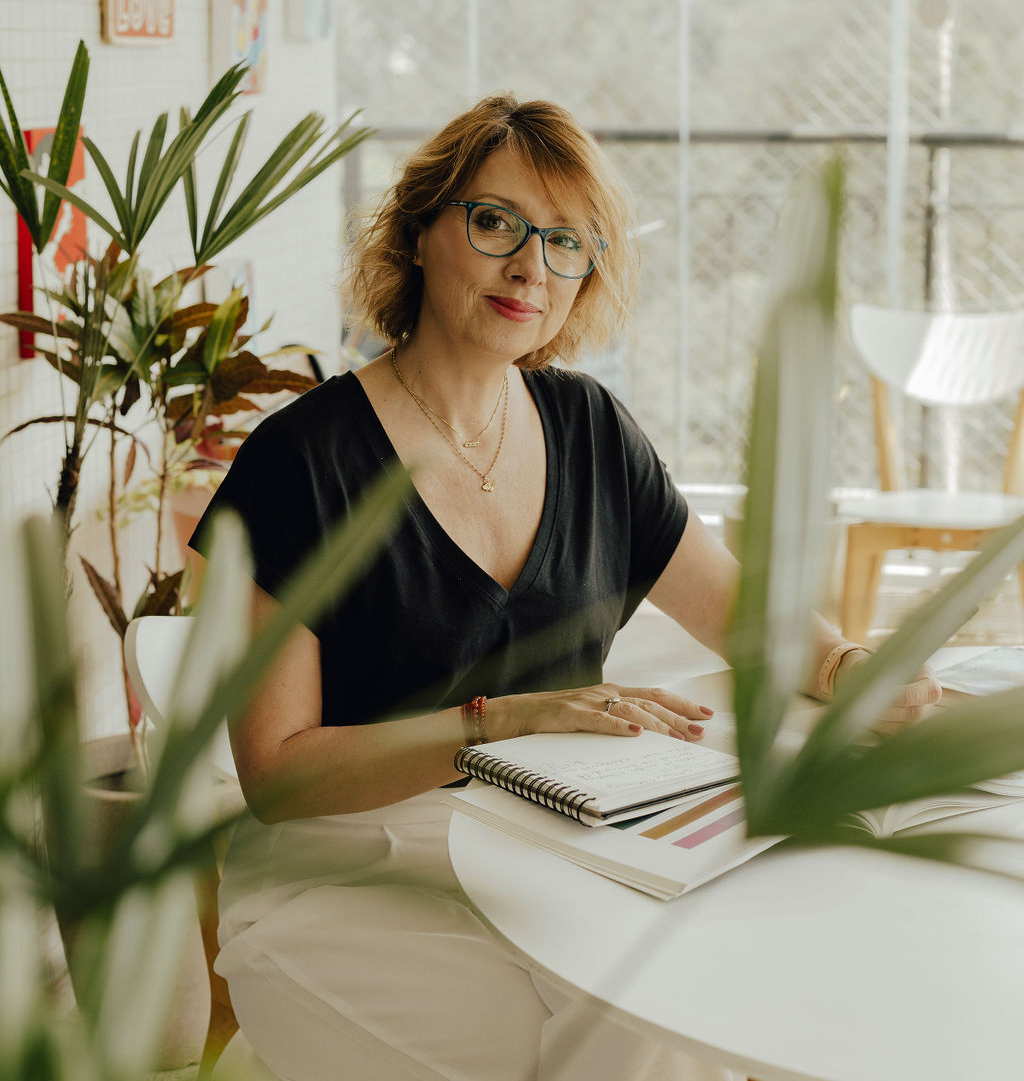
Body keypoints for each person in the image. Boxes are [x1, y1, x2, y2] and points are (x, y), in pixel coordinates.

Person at [193, 94, 940, 1081]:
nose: (530, 268)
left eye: (566, 242)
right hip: (355, 862)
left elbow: (742, 614)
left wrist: (846, 665)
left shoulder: (589, 427)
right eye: (495, 222)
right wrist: (496, 723)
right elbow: (278, 775)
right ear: (419, 232)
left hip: (564, 845)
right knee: (649, 1025)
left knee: (695, 989)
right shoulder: (300, 459)